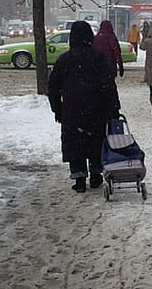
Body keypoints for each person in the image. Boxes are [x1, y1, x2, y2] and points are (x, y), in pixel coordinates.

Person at [47, 20, 121, 192]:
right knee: (95, 141)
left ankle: (79, 178)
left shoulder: (64, 60)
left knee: (75, 143)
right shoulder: (97, 58)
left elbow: (53, 86)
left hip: (72, 109)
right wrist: (113, 107)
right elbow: (108, 84)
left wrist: (57, 108)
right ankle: (96, 174)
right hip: (96, 107)